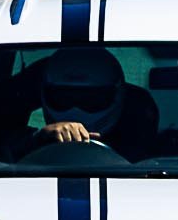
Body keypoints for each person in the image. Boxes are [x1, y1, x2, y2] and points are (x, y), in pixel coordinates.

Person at [17, 47, 156, 161]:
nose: (76, 109)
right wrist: (37, 141)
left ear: (117, 96)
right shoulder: (29, 144)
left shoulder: (143, 146)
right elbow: (2, 157)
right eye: (64, 98)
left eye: (91, 99)